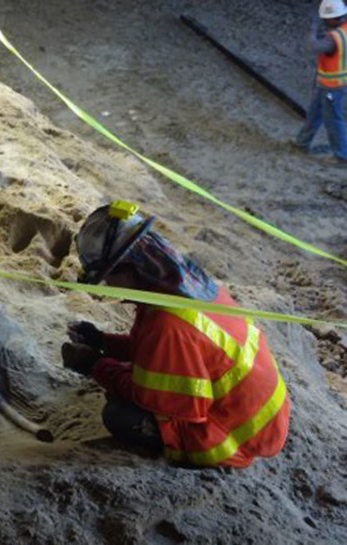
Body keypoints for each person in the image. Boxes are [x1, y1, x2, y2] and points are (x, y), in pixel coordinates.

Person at [62, 201, 290, 468]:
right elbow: (157, 354)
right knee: (123, 378)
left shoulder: (166, 323)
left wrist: (95, 365)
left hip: (237, 436)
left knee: (120, 415)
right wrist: (103, 341)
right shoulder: (186, 288)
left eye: (108, 276)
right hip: (259, 412)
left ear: (131, 268)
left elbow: (156, 397)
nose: (108, 286)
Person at [294, 0, 347, 167]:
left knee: (333, 120)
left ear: (334, 18)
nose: (324, 21)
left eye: (326, 18)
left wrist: (312, 31)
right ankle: (302, 142)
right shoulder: (344, 32)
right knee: (314, 113)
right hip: (329, 84)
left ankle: (341, 155)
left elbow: (313, 47)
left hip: (333, 86)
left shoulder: (334, 38)